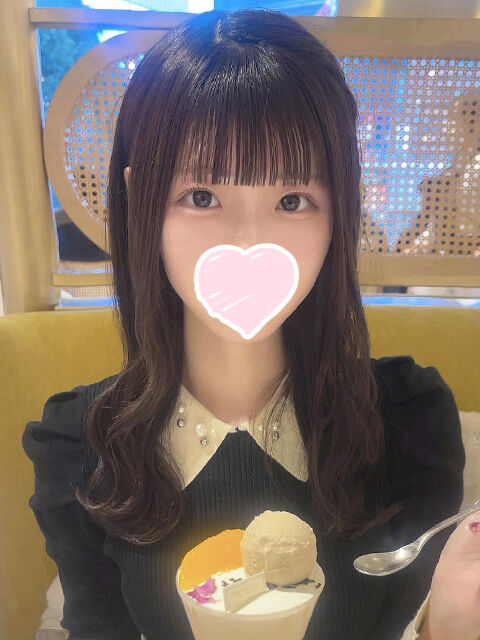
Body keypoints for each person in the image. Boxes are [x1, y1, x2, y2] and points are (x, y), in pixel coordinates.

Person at [22, 8, 474, 640]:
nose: (248, 242)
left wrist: (450, 623)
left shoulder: (408, 422)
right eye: (201, 197)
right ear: (139, 203)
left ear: (338, 211)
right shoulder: (81, 446)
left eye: (292, 200)